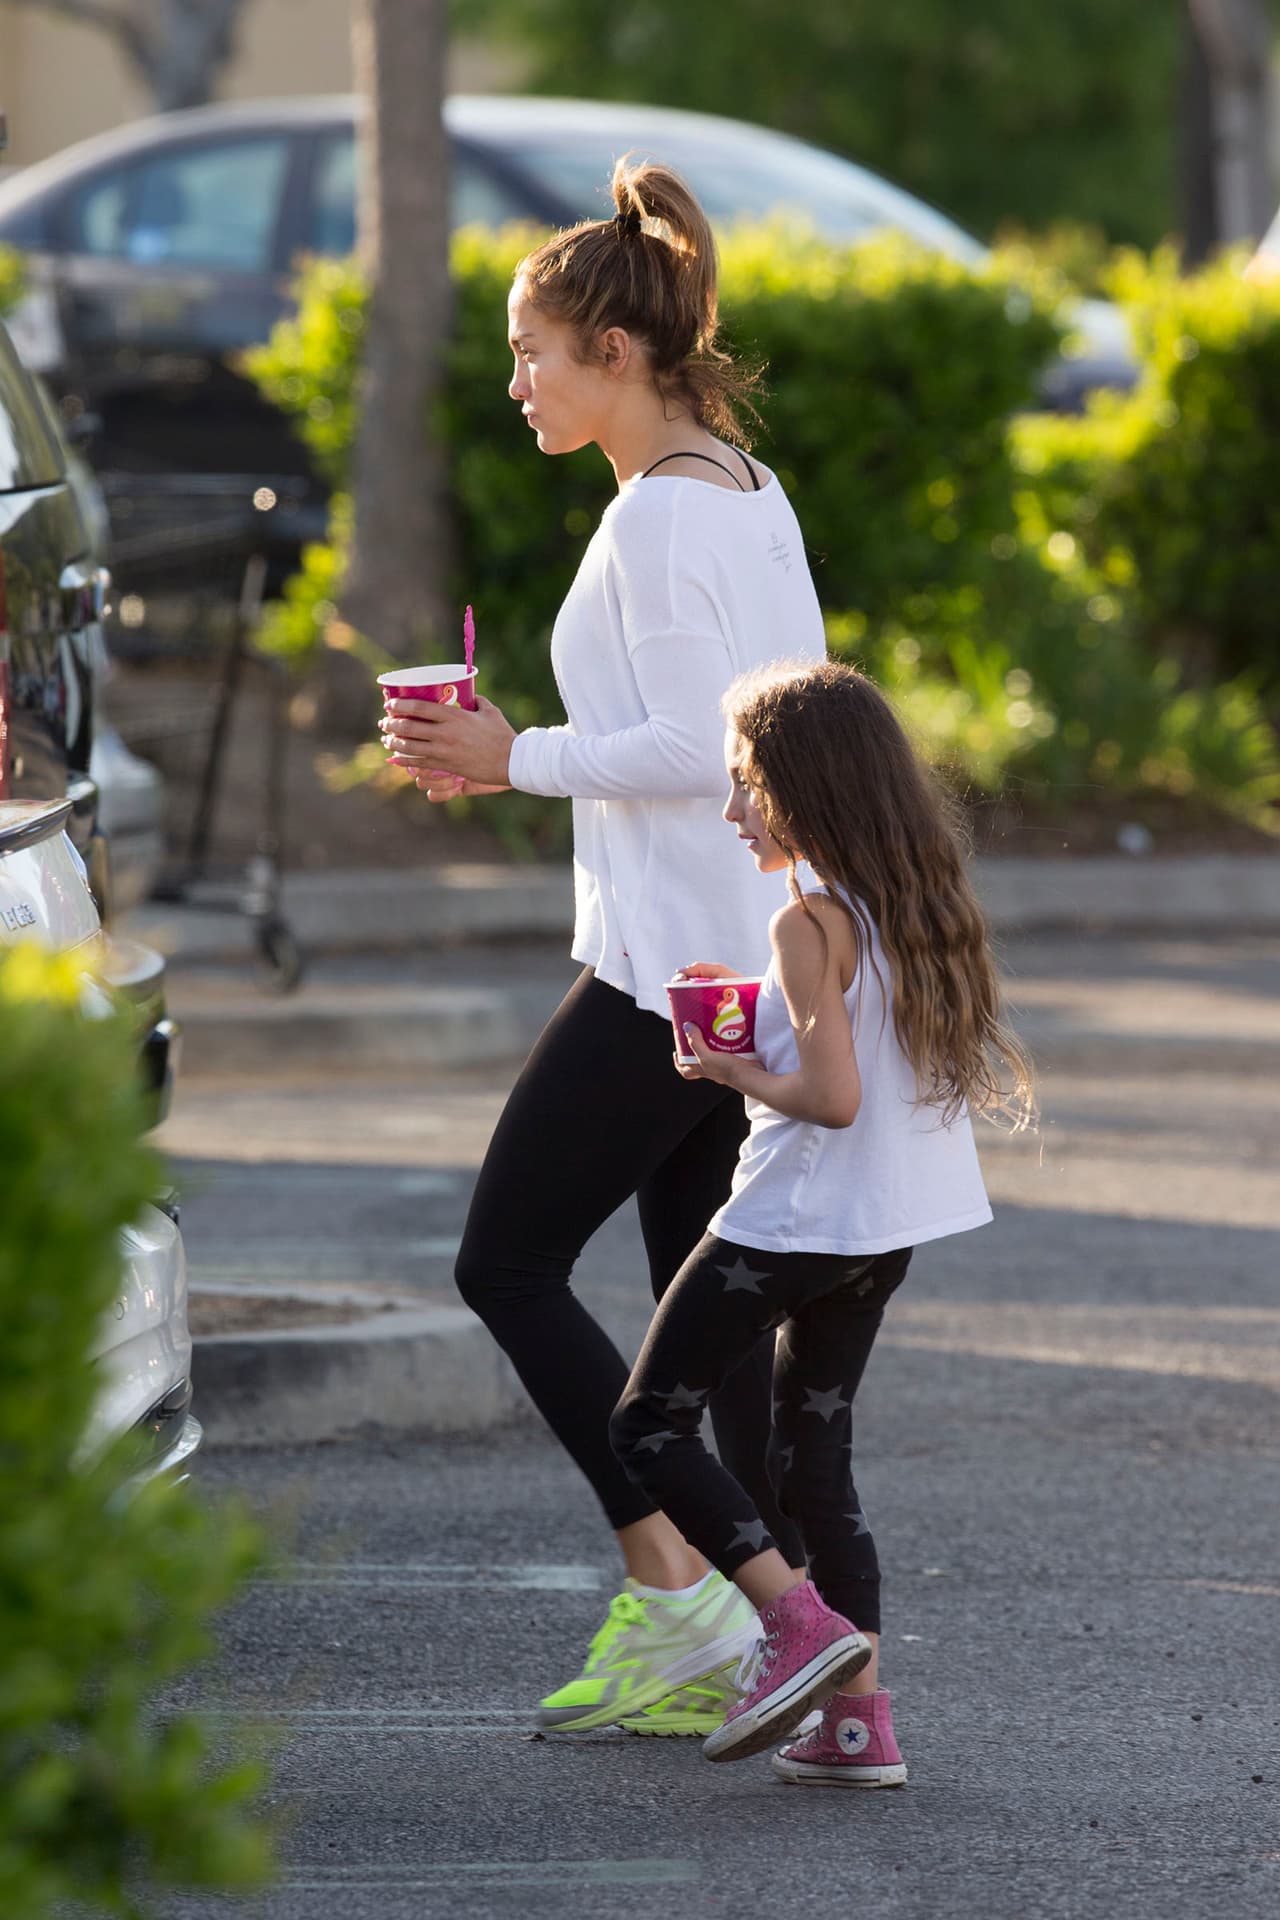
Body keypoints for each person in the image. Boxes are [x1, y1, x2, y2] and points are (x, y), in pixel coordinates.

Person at [379, 158, 826, 1734]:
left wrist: (514, 759)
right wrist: (509, 758)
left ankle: (751, 1606)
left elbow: (708, 754)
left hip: (675, 975)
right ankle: (719, 1624)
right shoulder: (744, 491)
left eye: (533, 353)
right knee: (703, 1310)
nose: (516, 381)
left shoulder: (655, 524)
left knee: (504, 1261)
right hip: (739, 964)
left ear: (616, 355)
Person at [610, 659, 1035, 1777]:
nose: (730, 808)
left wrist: (721, 1067)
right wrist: (756, 1019)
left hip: (789, 1224)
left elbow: (831, 1099)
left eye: (746, 783)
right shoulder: (907, 901)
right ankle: (857, 1727)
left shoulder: (805, 919)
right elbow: (862, 1052)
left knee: (646, 1424)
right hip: (881, 1233)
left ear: (806, 786)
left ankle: (793, 1625)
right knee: (814, 1464)